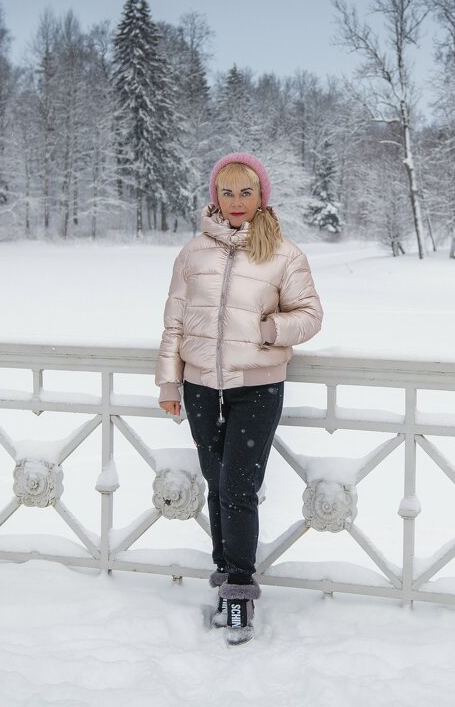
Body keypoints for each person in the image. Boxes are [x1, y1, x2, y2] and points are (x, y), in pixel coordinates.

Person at [156, 152, 323, 645]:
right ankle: (224, 570)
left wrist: (271, 329)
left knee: (238, 486)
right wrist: (170, 382)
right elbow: (174, 321)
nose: (235, 202)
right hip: (201, 384)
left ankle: (240, 589)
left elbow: (310, 314)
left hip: (257, 387)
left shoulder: (284, 253)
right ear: (215, 196)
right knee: (215, 480)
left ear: (261, 196)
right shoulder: (192, 254)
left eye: (245, 192)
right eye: (226, 192)